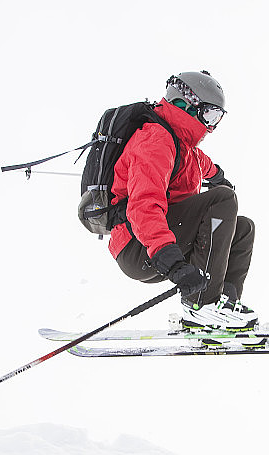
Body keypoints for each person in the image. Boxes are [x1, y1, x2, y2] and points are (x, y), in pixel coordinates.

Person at [109, 71, 257, 331]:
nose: (212, 126)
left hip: (157, 242)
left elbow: (203, 164)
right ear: (186, 104)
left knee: (243, 227)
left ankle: (223, 306)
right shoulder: (155, 140)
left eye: (218, 119)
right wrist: (170, 259)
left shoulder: (183, 146)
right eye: (210, 115)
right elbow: (144, 205)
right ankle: (202, 304)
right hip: (139, 245)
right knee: (223, 201)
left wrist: (218, 177)